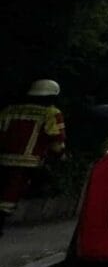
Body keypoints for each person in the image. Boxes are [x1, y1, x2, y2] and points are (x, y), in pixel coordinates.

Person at [0, 80, 66, 232]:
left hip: (3, 158)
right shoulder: (51, 113)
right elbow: (56, 141)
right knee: (11, 196)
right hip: (28, 162)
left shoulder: (10, 110)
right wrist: (60, 156)